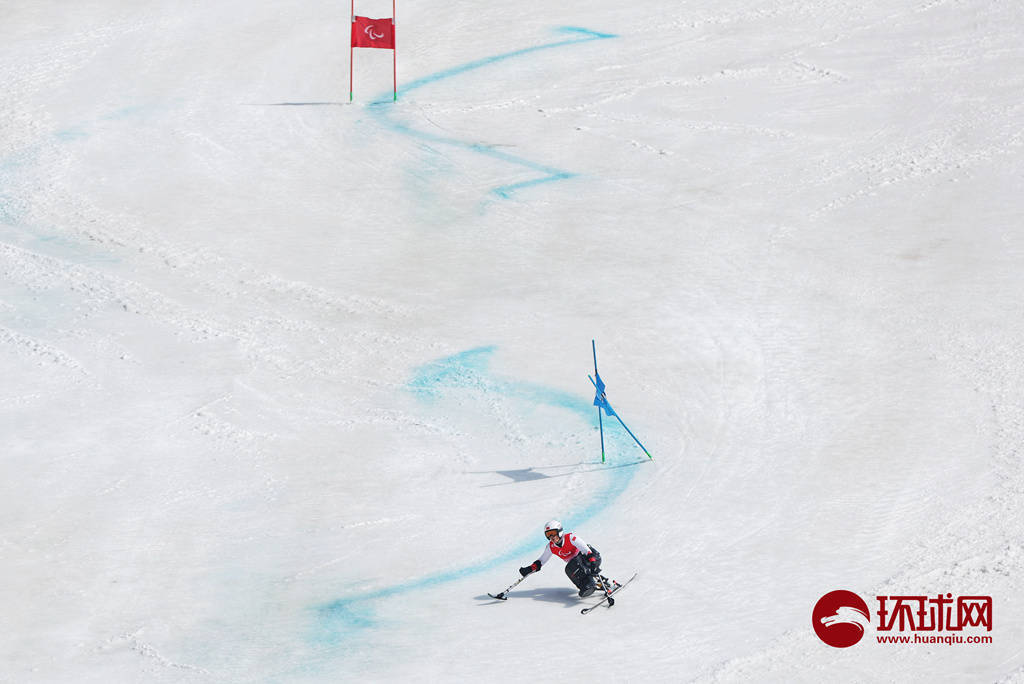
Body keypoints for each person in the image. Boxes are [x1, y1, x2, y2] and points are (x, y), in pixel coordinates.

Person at [519, 520, 603, 597]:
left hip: (591, 558)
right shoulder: (551, 547)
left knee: (575, 563)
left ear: (559, 531)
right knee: (569, 570)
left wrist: (593, 562)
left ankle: (591, 584)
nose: (551, 536)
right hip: (577, 566)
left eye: (553, 533)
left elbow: (587, 551)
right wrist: (530, 569)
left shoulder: (570, 538)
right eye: (548, 534)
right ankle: (585, 587)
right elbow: (541, 561)